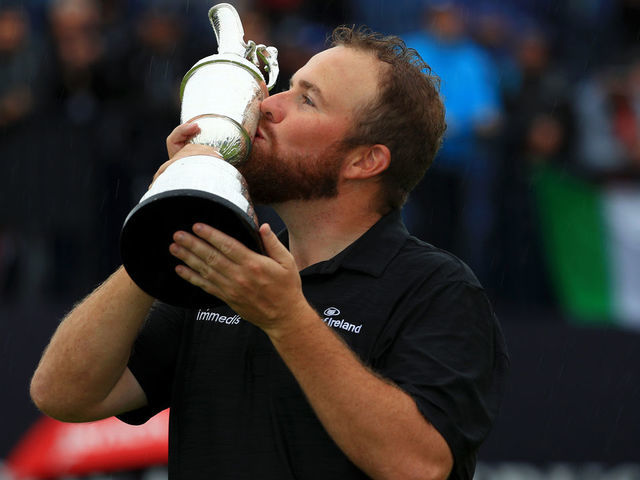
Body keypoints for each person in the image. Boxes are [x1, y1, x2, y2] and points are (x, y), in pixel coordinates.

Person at [30, 25, 509, 480]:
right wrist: (169, 213)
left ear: (366, 161)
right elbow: (63, 393)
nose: (266, 105)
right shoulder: (222, 264)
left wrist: (287, 320)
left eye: (306, 100)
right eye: (286, 86)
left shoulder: (438, 290)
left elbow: (419, 466)